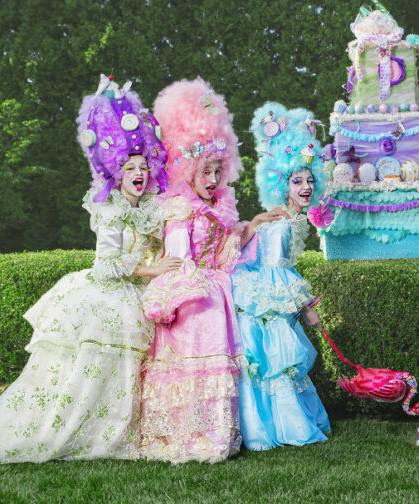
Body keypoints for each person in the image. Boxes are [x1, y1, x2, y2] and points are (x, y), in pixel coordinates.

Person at [0, 75, 176, 464]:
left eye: (143, 167)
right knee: (88, 373)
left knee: (123, 373)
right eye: (130, 167)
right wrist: (155, 272)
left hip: (132, 296)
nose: (138, 173)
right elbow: (106, 266)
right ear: (116, 173)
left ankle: (116, 432)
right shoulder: (110, 209)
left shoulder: (148, 208)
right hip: (105, 297)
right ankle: (79, 432)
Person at [139, 78, 285, 463]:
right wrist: (193, 283)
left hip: (214, 289)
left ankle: (216, 433)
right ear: (188, 170)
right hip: (192, 292)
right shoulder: (178, 209)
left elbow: (224, 257)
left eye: (218, 171)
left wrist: (250, 226)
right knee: (193, 352)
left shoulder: (221, 209)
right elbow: (179, 259)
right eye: (205, 171)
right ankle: (185, 435)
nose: (213, 180)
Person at [231, 102, 330, 450]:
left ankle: (270, 427)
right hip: (266, 304)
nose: (305, 186)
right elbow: (277, 270)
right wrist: (306, 308)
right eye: (296, 180)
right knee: (277, 364)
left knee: (276, 369)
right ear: (281, 184)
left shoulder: (290, 218)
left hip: (268, 295)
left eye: (309, 180)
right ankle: (285, 428)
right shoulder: (281, 221)